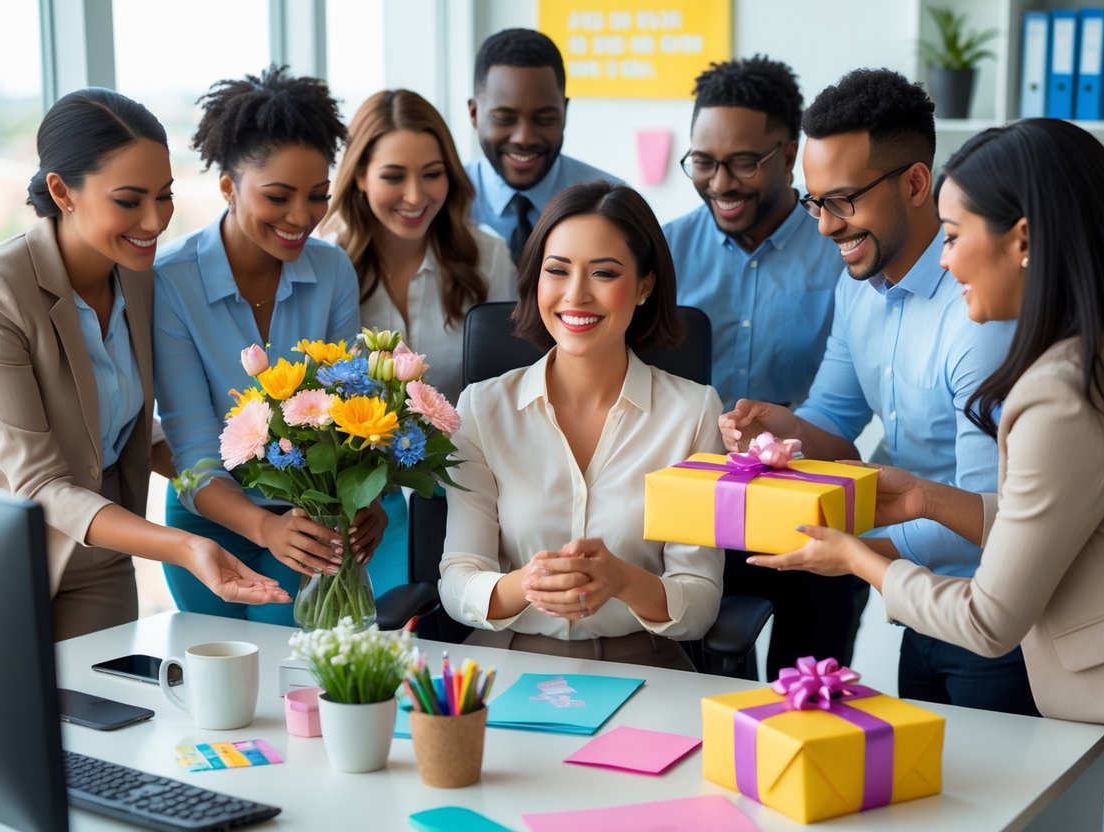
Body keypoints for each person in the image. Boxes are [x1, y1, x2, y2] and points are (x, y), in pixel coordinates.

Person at [747, 118, 1104, 831]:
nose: (947, 260)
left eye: (955, 235)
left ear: (1021, 240)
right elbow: (1059, 523)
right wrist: (925, 497)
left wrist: (856, 560)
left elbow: (990, 620)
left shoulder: (1058, 392)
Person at [720, 69, 1035, 715]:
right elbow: (834, 418)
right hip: (917, 611)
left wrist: (855, 557)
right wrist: (779, 430)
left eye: (842, 201)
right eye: (814, 203)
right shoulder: (857, 289)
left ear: (916, 183)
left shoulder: (978, 314)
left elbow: (988, 515)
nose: (824, 227)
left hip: (994, 618)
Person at [0, 88, 290, 641]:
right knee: (6, 723)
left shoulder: (147, 277)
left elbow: (132, 430)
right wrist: (186, 545)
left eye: (166, 196)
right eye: (129, 200)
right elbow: (40, 481)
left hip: (100, 546)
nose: (155, 220)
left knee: (112, 713)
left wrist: (274, 496)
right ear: (63, 191)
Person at [439, 181, 724, 671]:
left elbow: (699, 601)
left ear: (644, 286)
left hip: (644, 665)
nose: (576, 295)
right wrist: (524, 583)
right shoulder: (483, 408)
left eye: (604, 273)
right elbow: (458, 578)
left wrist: (624, 581)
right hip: (504, 661)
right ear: (535, 280)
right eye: (557, 271)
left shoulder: (694, 413)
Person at [153, 66, 382, 625]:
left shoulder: (331, 270)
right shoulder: (171, 281)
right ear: (227, 186)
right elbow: (191, 444)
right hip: (211, 524)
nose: (301, 217)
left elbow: (348, 408)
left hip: (313, 522)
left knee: (311, 678)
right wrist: (263, 527)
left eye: (317, 196)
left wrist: (368, 501)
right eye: (277, 196)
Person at [662, 56, 846, 677]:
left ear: (788, 155)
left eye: (743, 162)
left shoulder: (840, 252)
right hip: (695, 503)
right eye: (704, 163)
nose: (720, 183)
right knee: (700, 685)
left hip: (811, 500)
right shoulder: (662, 251)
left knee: (813, 683)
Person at [320, 88, 516, 404]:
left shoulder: (489, 259)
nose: (414, 196)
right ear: (360, 176)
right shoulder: (327, 266)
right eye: (394, 177)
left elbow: (508, 390)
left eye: (432, 174)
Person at [466, 28, 623, 263]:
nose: (524, 138)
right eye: (504, 118)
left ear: (564, 112)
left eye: (544, 119)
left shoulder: (613, 202)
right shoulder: (442, 199)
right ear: (475, 113)